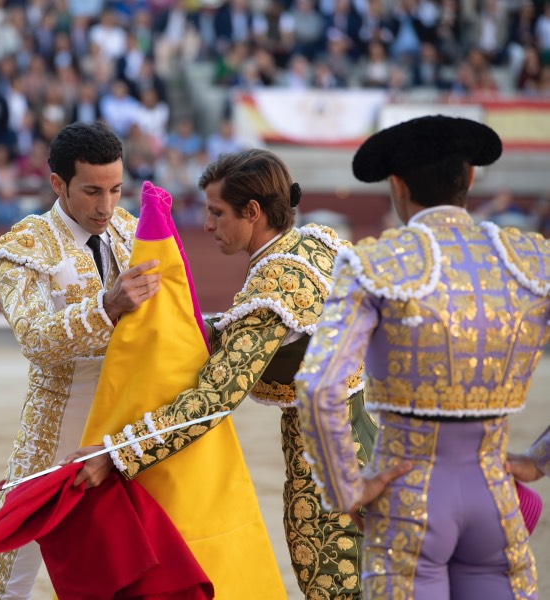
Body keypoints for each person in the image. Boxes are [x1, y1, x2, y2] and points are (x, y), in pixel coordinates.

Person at [67, 149, 379, 599]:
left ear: (252, 212)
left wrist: (118, 452)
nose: (209, 225)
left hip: (327, 475)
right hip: (367, 442)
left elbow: (214, 399)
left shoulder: (275, 286)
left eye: (217, 213)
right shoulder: (318, 241)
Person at [295, 115, 548, 599]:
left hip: (406, 496)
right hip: (494, 490)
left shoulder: (374, 263)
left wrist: (346, 489)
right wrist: (539, 458)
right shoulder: (532, 260)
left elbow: (319, 385)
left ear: (397, 185)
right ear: (470, 178)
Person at [0, 121, 161, 599]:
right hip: (57, 423)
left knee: (135, 560)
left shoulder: (129, 230)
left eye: (116, 189)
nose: (106, 206)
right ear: (58, 183)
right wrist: (108, 307)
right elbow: (35, 339)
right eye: (92, 191)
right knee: (11, 574)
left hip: (126, 422)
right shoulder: (26, 246)